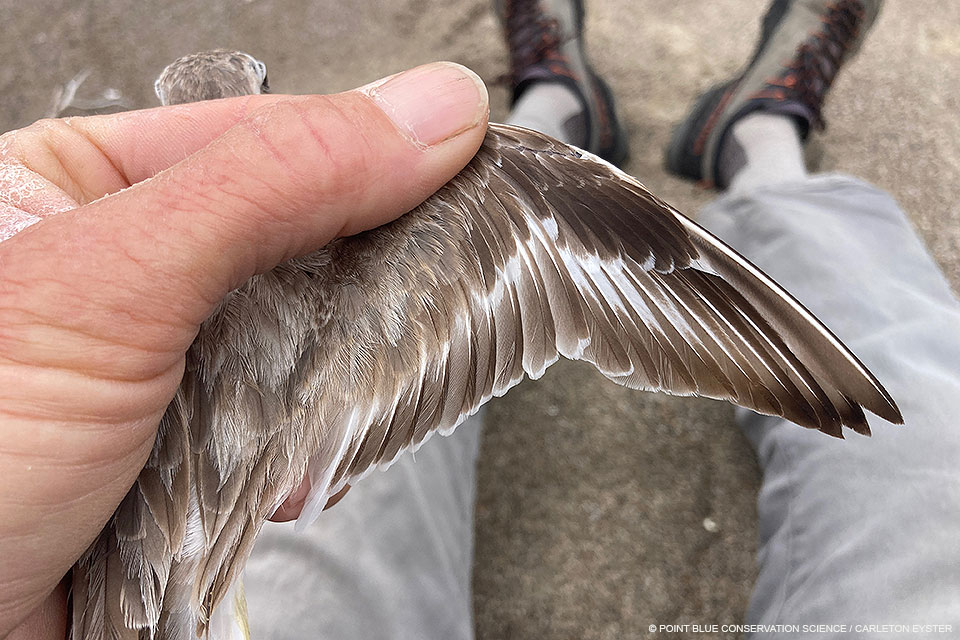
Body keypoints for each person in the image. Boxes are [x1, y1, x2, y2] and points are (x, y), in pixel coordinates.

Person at [1, 3, 957, 640]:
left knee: (342, 522)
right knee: (933, 480)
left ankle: (562, 92)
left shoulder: (55, 268)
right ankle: (758, 140)